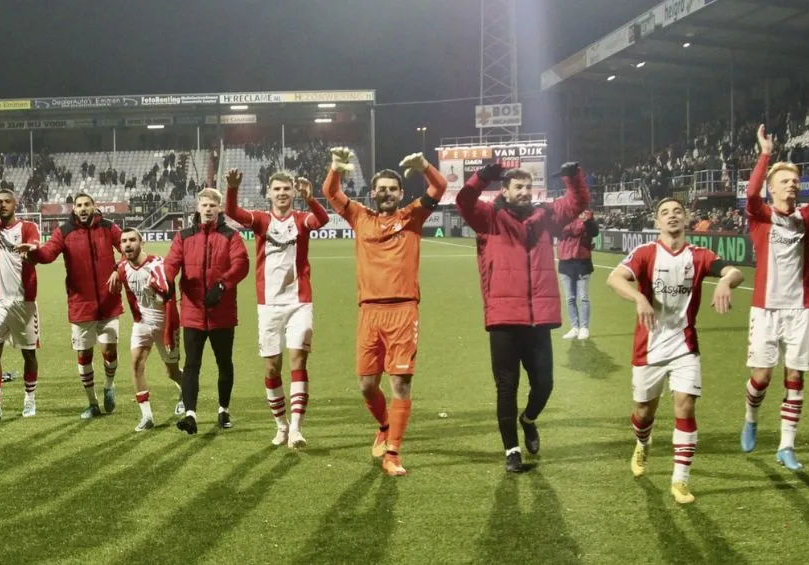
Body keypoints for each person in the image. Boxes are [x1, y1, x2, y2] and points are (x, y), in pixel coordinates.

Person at [607, 197, 743, 504]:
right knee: (643, 412)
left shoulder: (698, 255)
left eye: (677, 212)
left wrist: (725, 282)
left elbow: (734, 271)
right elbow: (614, 278)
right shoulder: (645, 253)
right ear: (656, 222)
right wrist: (639, 299)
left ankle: (680, 480)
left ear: (686, 220)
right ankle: (643, 443)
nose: (671, 216)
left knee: (685, 405)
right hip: (649, 347)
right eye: (665, 213)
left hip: (685, 346)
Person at [456, 161, 589, 472]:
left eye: (528, 187)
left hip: (538, 318)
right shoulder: (489, 217)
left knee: (545, 384)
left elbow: (578, 202)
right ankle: (511, 452)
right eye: (518, 187)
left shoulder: (546, 217)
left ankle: (528, 419)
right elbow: (464, 201)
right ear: (505, 191)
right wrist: (482, 176)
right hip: (503, 317)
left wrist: (572, 176)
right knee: (507, 386)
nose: (525, 192)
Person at [321, 147, 445, 477]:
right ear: (373, 192)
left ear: (400, 193)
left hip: (403, 310)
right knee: (365, 385)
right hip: (369, 312)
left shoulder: (413, 216)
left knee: (400, 385)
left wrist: (425, 167)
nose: (387, 193)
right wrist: (336, 167)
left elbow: (439, 187)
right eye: (381, 189)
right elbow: (330, 192)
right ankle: (384, 425)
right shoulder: (360, 216)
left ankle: (393, 453)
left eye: (392, 188)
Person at [225, 168, 329, 448]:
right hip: (269, 305)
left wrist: (311, 199)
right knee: (272, 368)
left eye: (287, 189)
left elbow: (322, 219)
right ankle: (281, 425)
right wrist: (232, 187)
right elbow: (233, 212)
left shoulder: (300, 219)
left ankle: (296, 428)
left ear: (293, 193)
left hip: (299, 302)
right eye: (277, 189)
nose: (282, 193)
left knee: (298, 361)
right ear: (269, 193)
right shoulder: (261, 220)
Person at [740, 124, 809, 471]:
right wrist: (766, 154)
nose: (792, 184)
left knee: (796, 376)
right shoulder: (760, 216)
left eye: (795, 180)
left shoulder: (808, 217)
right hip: (766, 308)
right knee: (761, 378)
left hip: (799, 309)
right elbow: (751, 191)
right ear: (772, 188)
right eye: (785, 181)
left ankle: (787, 445)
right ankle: (751, 417)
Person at [19, 193, 122, 420]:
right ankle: (93, 403)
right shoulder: (64, 232)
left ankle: (109, 385)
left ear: (94, 207)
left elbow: (127, 249)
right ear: (73, 209)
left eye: (87, 204)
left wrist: (118, 269)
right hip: (81, 305)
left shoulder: (108, 227)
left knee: (109, 351)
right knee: (84, 355)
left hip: (109, 301)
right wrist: (34, 251)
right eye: (79, 205)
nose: (83, 208)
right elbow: (48, 254)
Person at [164, 187, 249, 435]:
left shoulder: (231, 236)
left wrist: (222, 285)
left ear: (219, 208)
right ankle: (190, 414)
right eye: (204, 204)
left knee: (224, 363)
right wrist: (167, 281)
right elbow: (171, 262)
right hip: (192, 312)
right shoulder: (183, 236)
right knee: (191, 365)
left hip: (222, 313)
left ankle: (223, 409)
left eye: (213, 205)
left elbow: (241, 264)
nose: (208, 209)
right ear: (197, 207)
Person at [0, 189, 42, 422]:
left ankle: (30, 400)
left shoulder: (27, 227)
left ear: (16, 204)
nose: (2, 205)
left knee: (29, 353)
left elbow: (35, 243)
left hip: (24, 302)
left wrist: (31, 249)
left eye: (7, 201)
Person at [112, 228, 182, 431]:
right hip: (141, 323)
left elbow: (168, 293)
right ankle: (147, 416)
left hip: (164, 323)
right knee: (135, 365)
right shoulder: (124, 267)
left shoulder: (157, 264)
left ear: (142, 243)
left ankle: (185, 394)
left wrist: (157, 291)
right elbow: (120, 265)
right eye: (124, 241)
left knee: (172, 372)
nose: (127, 244)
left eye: (132, 240)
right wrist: (115, 271)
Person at [558, 210, 599, 340]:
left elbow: (595, 232)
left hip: (582, 262)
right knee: (570, 298)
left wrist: (587, 221)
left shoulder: (587, 216)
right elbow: (560, 231)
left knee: (583, 298)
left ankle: (584, 327)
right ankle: (575, 327)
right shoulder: (562, 217)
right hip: (565, 262)